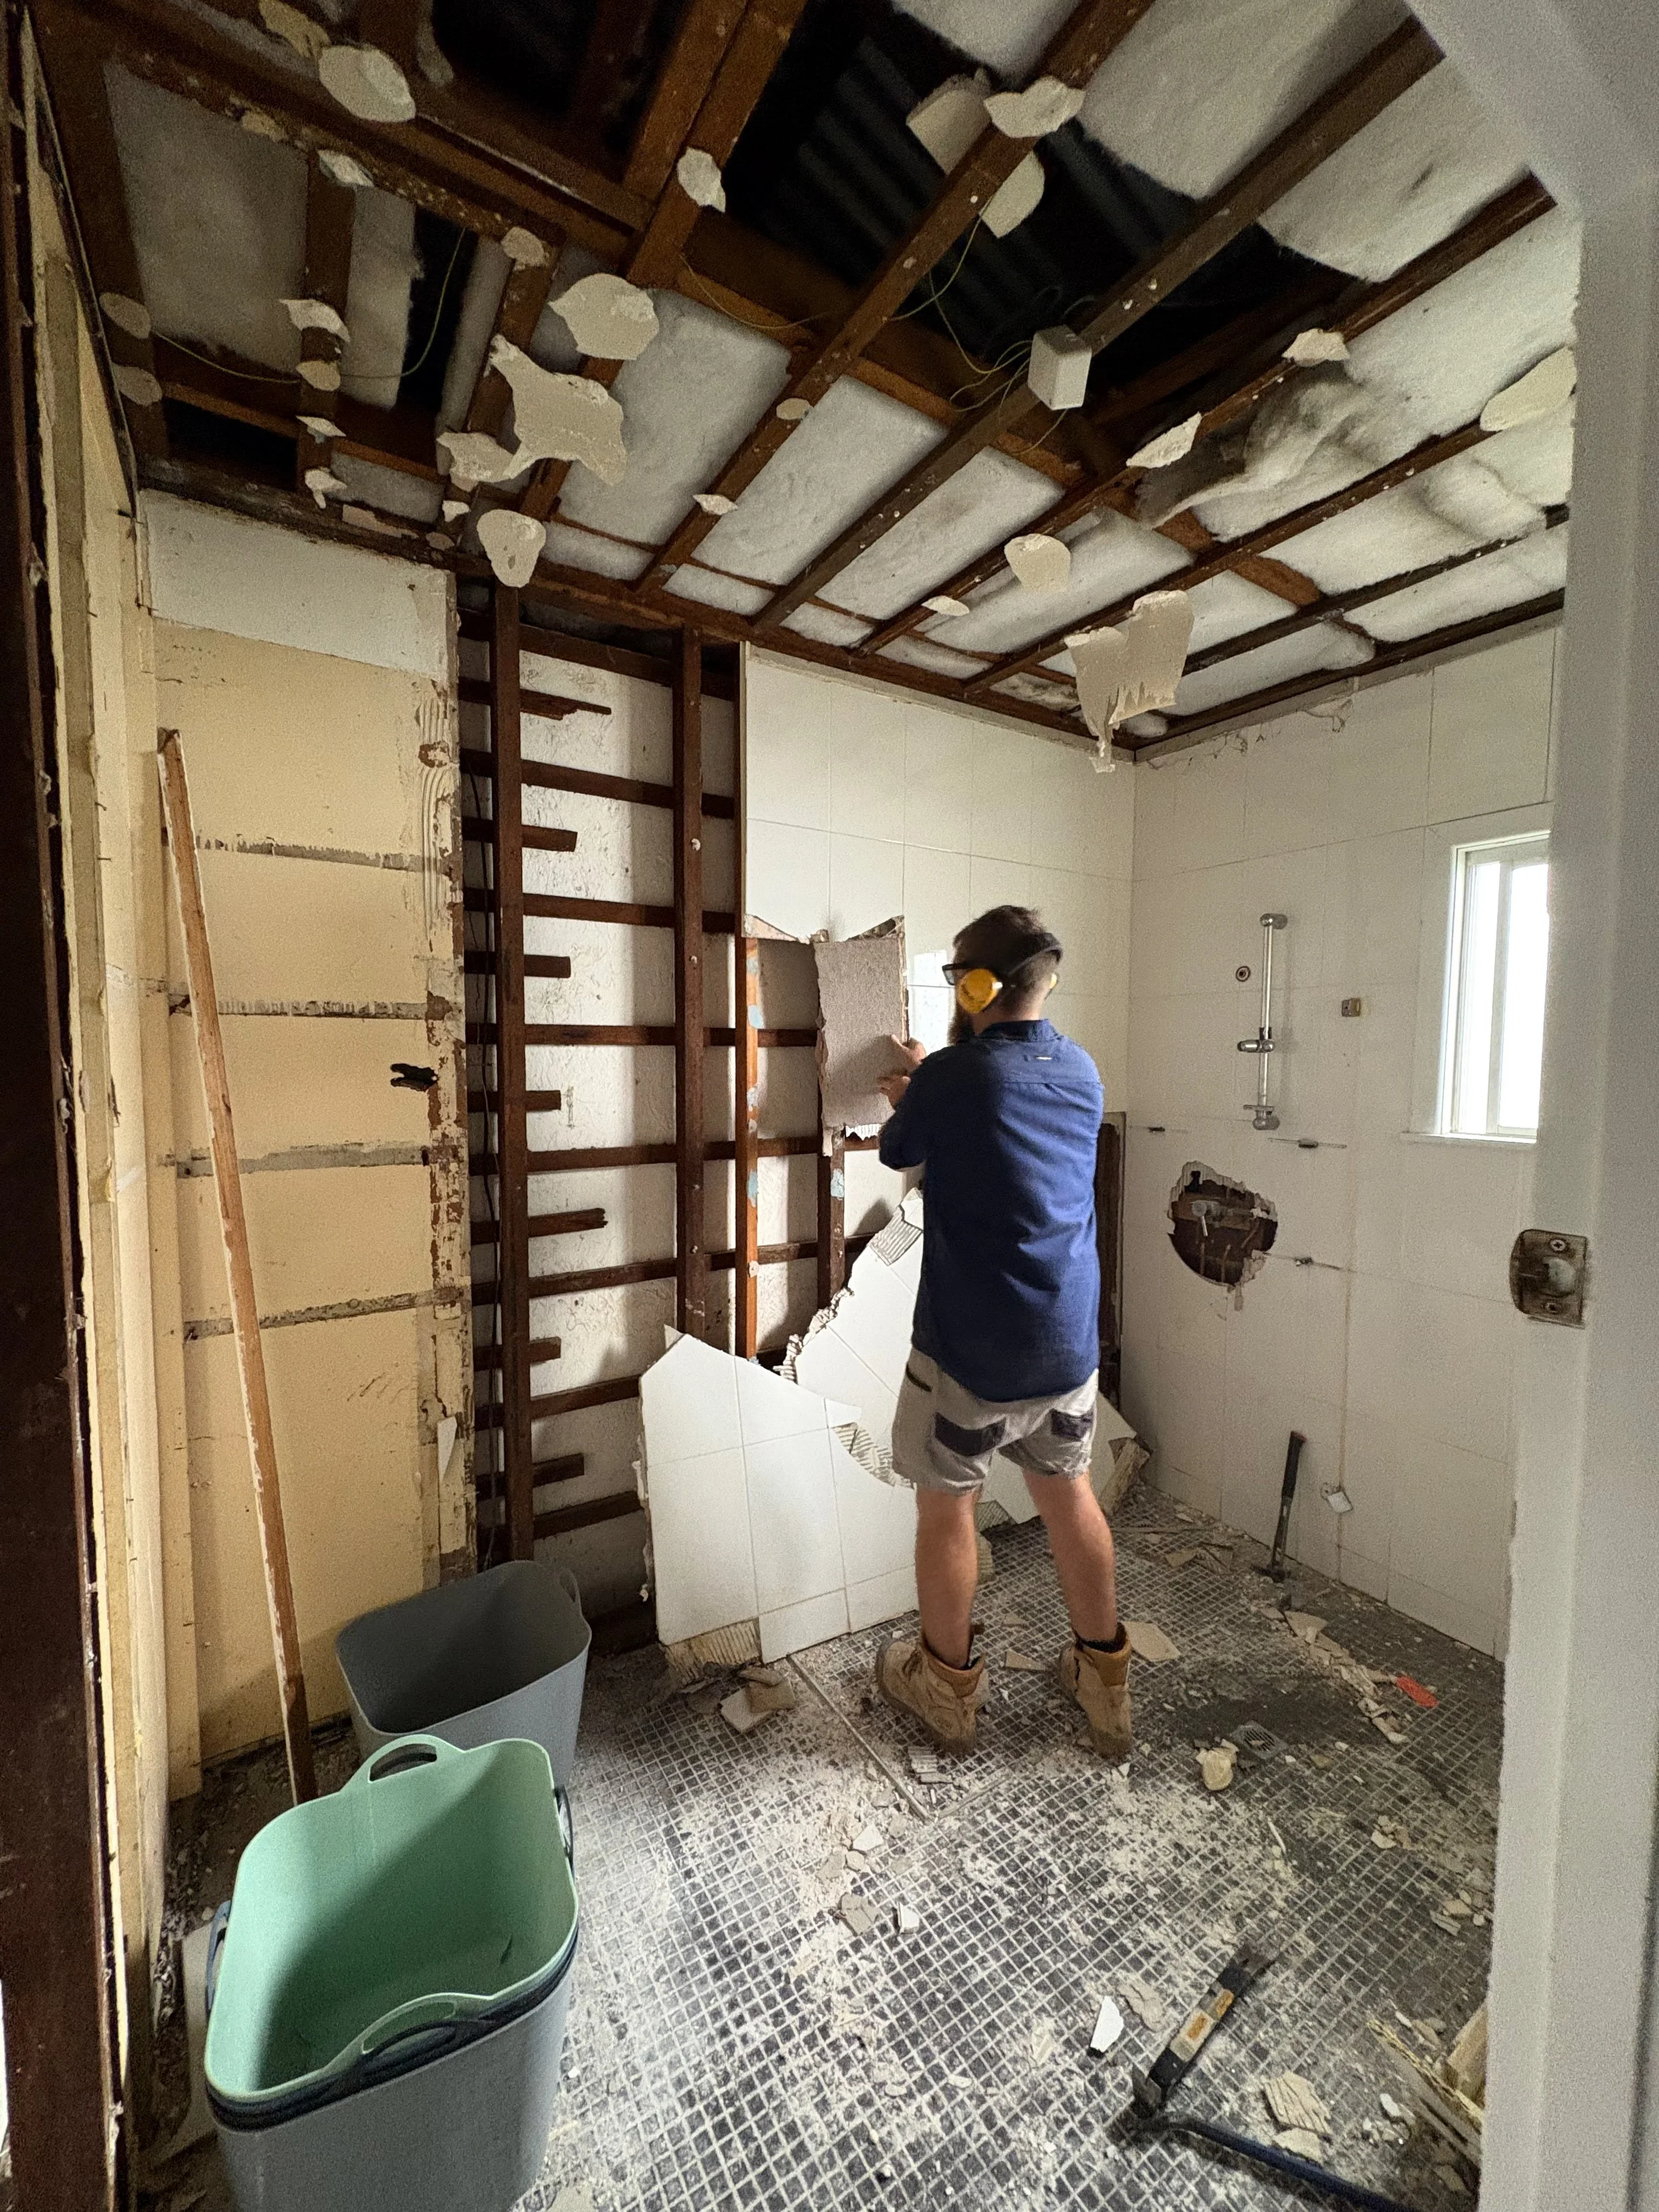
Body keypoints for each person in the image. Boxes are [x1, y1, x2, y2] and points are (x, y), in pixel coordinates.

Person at [871, 905, 1130, 1761]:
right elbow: (1005, 1127)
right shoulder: (1084, 1071)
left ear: (977, 985)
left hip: (973, 1352)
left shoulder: (954, 1075)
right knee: (1068, 1495)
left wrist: (919, 1083)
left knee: (948, 1509)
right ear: (1045, 983)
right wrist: (940, 1074)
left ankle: (945, 1692)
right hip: (1067, 1347)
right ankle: (1105, 1682)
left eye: (960, 979)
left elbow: (899, 1147)